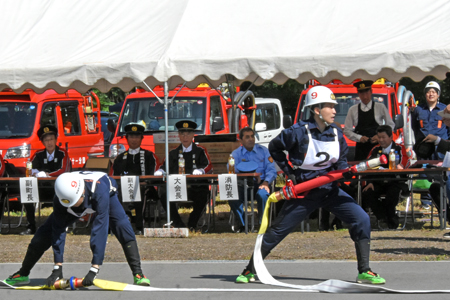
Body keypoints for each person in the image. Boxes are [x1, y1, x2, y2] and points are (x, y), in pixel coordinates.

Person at [236, 86, 385, 285]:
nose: (334, 110)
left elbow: (340, 164)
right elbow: (274, 148)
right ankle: (249, 270)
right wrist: (291, 173)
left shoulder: (336, 133)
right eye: (329, 106)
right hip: (304, 192)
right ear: (316, 110)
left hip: (329, 190)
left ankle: (364, 271)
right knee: (278, 230)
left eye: (334, 106)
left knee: (362, 219)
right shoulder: (297, 132)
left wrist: (348, 174)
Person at [4, 171, 151, 287]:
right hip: (75, 199)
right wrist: (57, 267)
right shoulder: (62, 198)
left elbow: (100, 229)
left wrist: (94, 268)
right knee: (43, 235)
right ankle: (23, 274)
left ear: (82, 193)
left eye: (75, 202)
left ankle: (138, 274)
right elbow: (58, 229)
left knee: (123, 228)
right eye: (69, 203)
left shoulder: (99, 191)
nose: (74, 206)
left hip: (106, 195)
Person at [154, 120, 213, 230]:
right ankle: (177, 223)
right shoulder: (173, 153)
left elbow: (208, 166)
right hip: (177, 186)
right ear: (179, 136)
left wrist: (201, 170)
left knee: (204, 194)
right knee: (163, 192)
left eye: (188, 134)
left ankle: (192, 223)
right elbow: (164, 166)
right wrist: (161, 171)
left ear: (193, 135)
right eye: (182, 134)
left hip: (195, 187)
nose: (185, 137)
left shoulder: (200, 151)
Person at [21, 125, 71, 235]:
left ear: (56, 139)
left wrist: (47, 175)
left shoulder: (62, 154)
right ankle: (31, 226)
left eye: (51, 139)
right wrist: (35, 172)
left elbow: (64, 171)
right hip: (41, 188)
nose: (49, 143)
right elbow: (29, 167)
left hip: (58, 189)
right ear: (43, 142)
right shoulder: (38, 155)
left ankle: (60, 225)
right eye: (46, 140)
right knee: (27, 190)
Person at [112, 122, 159, 235]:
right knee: (116, 193)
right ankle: (122, 222)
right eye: (131, 136)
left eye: (137, 136)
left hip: (144, 187)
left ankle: (139, 225)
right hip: (124, 187)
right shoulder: (120, 158)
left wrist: (144, 182)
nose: (134, 140)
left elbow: (153, 175)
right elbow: (114, 176)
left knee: (140, 190)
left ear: (142, 138)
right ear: (127, 138)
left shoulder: (149, 155)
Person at [229, 127, 277, 232]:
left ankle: (262, 225)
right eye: (247, 137)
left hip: (261, 183)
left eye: (252, 136)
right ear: (241, 140)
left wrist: (265, 182)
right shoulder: (235, 154)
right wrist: (249, 174)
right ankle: (243, 225)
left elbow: (272, 170)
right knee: (232, 196)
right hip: (243, 185)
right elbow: (231, 170)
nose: (251, 139)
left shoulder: (263, 151)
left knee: (263, 195)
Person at [361, 125, 408, 230]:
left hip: (395, 181)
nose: (381, 140)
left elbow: (402, 166)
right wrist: (370, 181)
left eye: (383, 137)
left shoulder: (400, 148)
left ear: (391, 137)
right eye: (379, 137)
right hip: (378, 181)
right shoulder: (375, 149)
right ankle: (383, 218)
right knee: (367, 193)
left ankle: (391, 219)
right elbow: (368, 166)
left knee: (392, 194)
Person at [344, 80, 395, 161]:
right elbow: (347, 130)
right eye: (362, 94)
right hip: (361, 149)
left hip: (378, 147)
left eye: (367, 93)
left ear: (371, 92)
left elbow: (390, 125)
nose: (365, 97)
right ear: (358, 94)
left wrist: (379, 136)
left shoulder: (380, 107)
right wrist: (359, 138)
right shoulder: (352, 110)